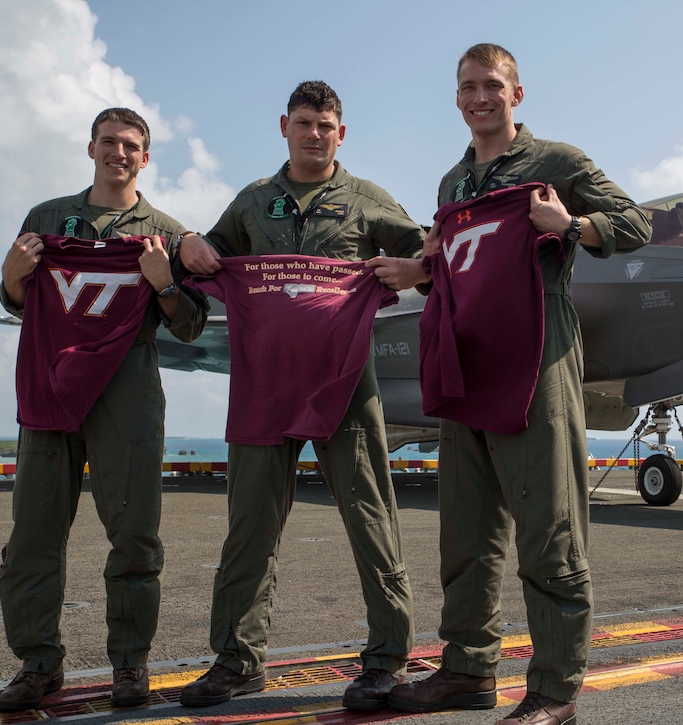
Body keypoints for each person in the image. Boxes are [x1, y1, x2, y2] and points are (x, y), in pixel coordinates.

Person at [379, 44, 651, 725]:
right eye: (468, 87)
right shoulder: (451, 183)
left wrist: (574, 225)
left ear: (516, 94)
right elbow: (461, 263)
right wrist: (422, 269)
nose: (480, 97)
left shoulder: (557, 163)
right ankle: (468, 669)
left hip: (536, 363)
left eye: (492, 86)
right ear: (458, 96)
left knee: (549, 531)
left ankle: (556, 691)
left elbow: (637, 224)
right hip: (465, 365)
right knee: (466, 536)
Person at [176, 81, 423, 711]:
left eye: (327, 126)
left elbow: (425, 249)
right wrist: (186, 245)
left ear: (343, 134)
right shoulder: (253, 202)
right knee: (249, 525)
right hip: (263, 383)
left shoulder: (366, 200)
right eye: (305, 123)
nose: (315, 134)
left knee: (371, 517)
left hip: (345, 384)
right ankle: (237, 660)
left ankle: (387, 660)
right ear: (284, 125)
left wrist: (413, 268)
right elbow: (207, 258)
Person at [0, 107, 209, 712]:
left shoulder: (165, 230)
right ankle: (38, 665)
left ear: (146, 157)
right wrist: (11, 279)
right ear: (91, 147)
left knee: (135, 537)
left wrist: (165, 282)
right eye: (110, 142)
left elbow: (191, 326)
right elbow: (19, 302)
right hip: (49, 385)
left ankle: (130, 664)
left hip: (128, 397)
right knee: (33, 537)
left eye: (133, 146)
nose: (120, 153)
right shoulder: (46, 217)